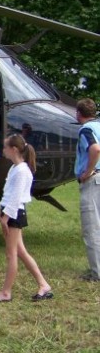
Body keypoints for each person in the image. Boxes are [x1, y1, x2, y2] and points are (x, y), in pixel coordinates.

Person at [0, 134, 53, 302]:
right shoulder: (15, 167)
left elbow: (15, 198)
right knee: (20, 252)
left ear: (14, 149)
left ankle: (6, 292)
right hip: (11, 214)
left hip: (14, 215)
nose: (3, 150)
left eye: (5, 147)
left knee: (11, 254)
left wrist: (5, 218)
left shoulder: (22, 170)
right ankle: (43, 284)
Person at [74, 98, 100, 282]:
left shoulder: (86, 129)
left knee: (92, 227)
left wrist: (88, 171)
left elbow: (95, 149)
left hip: (94, 180)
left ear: (78, 113)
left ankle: (96, 272)